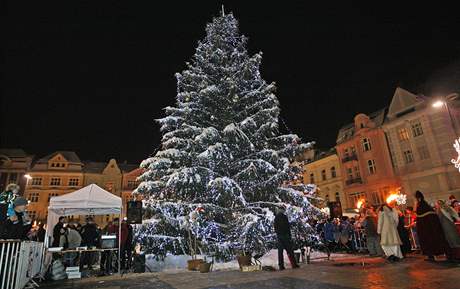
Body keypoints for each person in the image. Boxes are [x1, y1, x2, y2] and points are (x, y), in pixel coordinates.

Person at [415, 191, 448, 261]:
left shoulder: (420, 206)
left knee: (428, 241)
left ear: (418, 198)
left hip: (425, 230)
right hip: (432, 229)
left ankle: (430, 255)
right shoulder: (427, 206)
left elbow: (419, 216)